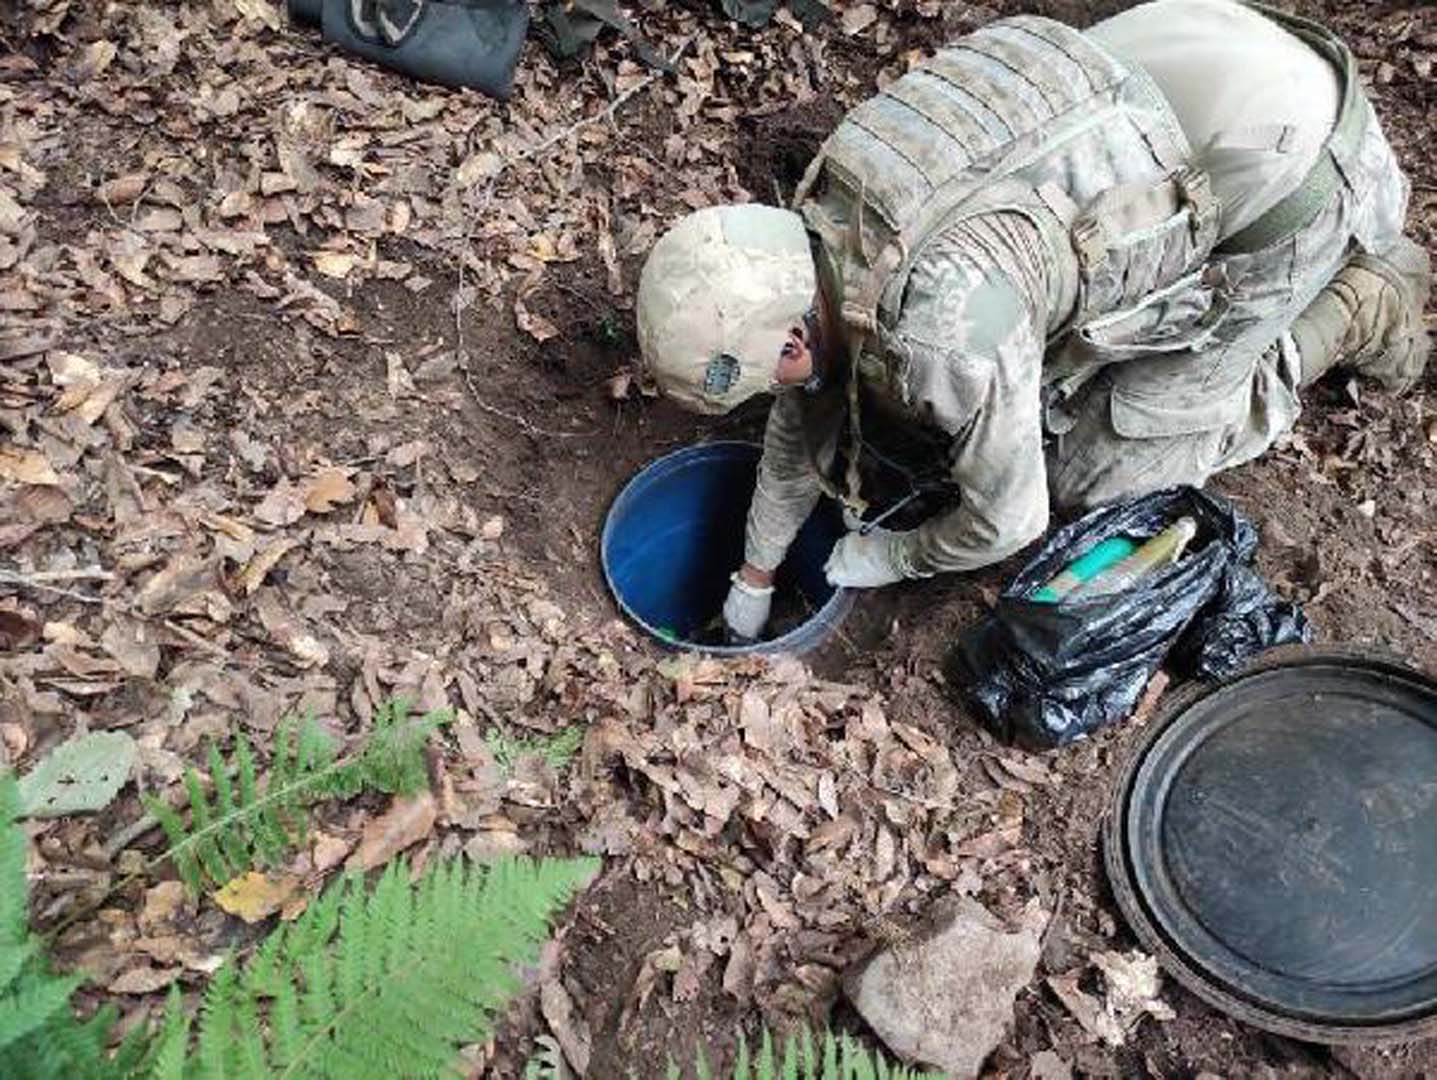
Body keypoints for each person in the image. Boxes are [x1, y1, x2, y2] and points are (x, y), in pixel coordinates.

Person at [635, 0, 1430, 642]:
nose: (774, 397)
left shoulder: (940, 334)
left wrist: (898, 555)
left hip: (1287, 158)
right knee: (1034, 385)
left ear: (793, 334)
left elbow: (1009, 522)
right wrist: (754, 576)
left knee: (1103, 474)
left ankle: (1360, 303)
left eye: (766, 378)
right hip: (1169, 52)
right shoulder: (826, 215)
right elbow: (798, 425)